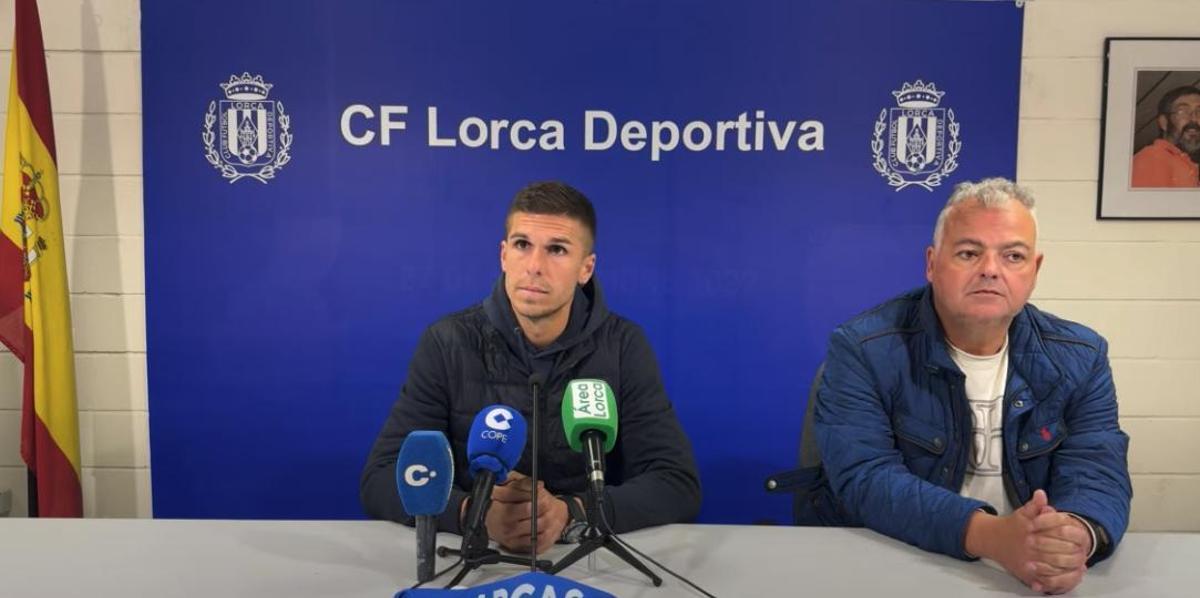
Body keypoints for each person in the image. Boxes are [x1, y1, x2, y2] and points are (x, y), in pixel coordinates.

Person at [811, 178, 1131, 594]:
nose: (991, 269)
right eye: (968, 252)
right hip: (896, 562)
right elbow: (866, 478)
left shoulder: (1082, 356)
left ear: (1034, 271)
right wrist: (993, 537)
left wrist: (1071, 536)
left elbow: (1098, 468)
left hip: (1025, 577)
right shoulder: (862, 347)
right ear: (931, 264)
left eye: (1013, 255)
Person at [360, 180, 701, 552]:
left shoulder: (623, 346)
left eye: (557, 249)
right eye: (523, 245)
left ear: (585, 268)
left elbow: (676, 483)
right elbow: (383, 477)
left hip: (589, 561)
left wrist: (572, 512)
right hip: (474, 558)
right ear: (504, 255)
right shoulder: (446, 342)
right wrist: (473, 513)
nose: (535, 267)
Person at [1131, 85, 1200, 187]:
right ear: (1164, 122)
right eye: (1182, 111)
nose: (1194, 118)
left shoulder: (1188, 166)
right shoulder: (1153, 158)